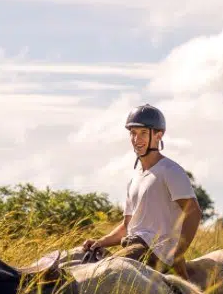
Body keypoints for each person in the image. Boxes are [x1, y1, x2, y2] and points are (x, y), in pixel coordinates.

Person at [82, 104, 201, 279]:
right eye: (133, 133)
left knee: (103, 276)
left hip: (155, 252)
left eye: (143, 133)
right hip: (132, 247)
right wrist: (100, 242)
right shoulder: (134, 179)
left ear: (158, 135)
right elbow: (127, 227)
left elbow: (194, 213)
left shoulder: (170, 170)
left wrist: (176, 254)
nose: (137, 139)